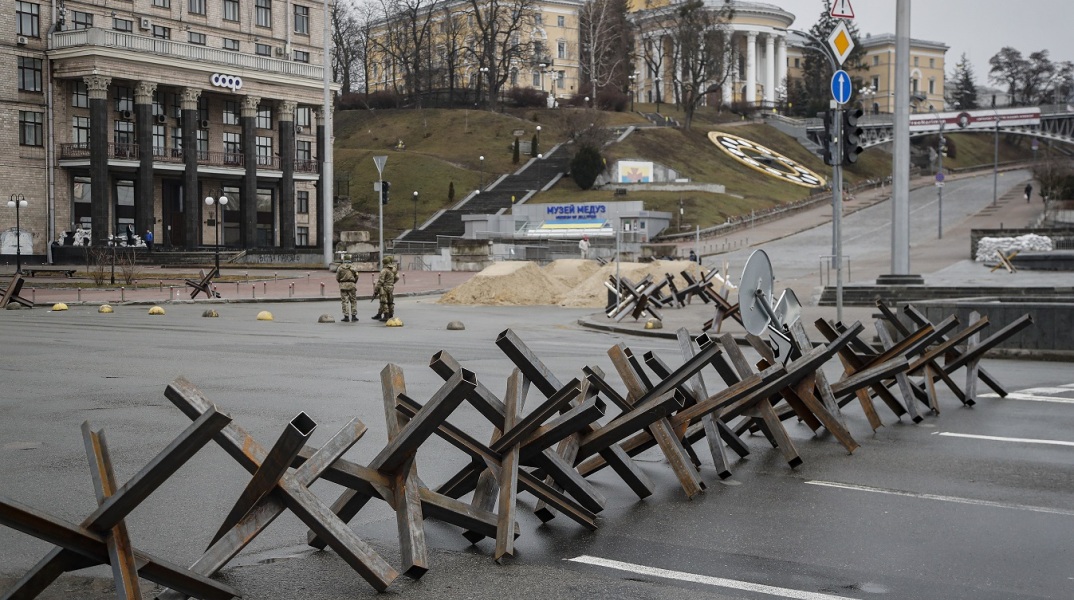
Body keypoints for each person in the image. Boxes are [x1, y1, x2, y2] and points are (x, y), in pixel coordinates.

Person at [373, 255, 399, 321]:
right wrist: (392, 283)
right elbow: (397, 277)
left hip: (384, 287)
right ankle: (391, 314)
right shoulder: (394, 269)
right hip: (391, 287)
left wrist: (376, 290)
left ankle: (386, 316)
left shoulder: (384, 270)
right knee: (390, 301)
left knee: (384, 301)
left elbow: (380, 281)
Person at [335, 255, 358, 322]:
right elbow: (357, 276)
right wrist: (354, 282)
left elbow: (337, 277)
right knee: (353, 300)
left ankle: (346, 316)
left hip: (343, 285)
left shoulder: (340, 267)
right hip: (351, 285)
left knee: (344, 301)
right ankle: (354, 316)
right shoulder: (353, 267)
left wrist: (341, 282)